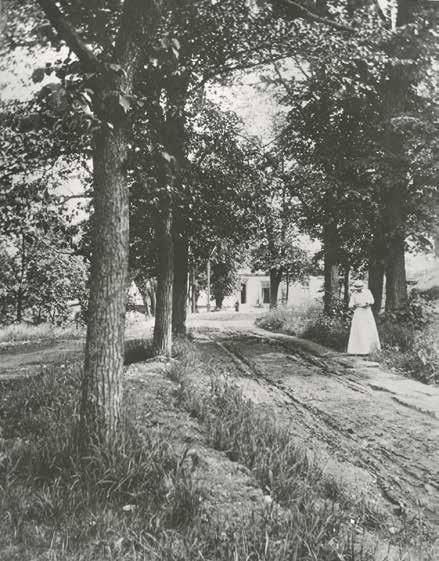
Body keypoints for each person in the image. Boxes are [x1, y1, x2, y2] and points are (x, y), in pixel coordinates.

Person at [347, 280, 381, 355]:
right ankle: (358, 350)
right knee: (359, 330)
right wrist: (354, 305)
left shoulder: (367, 292)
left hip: (367, 312)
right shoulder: (354, 294)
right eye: (357, 288)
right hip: (358, 313)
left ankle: (369, 349)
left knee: (368, 329)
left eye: (360, 288)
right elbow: (350, 305)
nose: (358, 289)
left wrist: (367, 303)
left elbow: (372, 301)